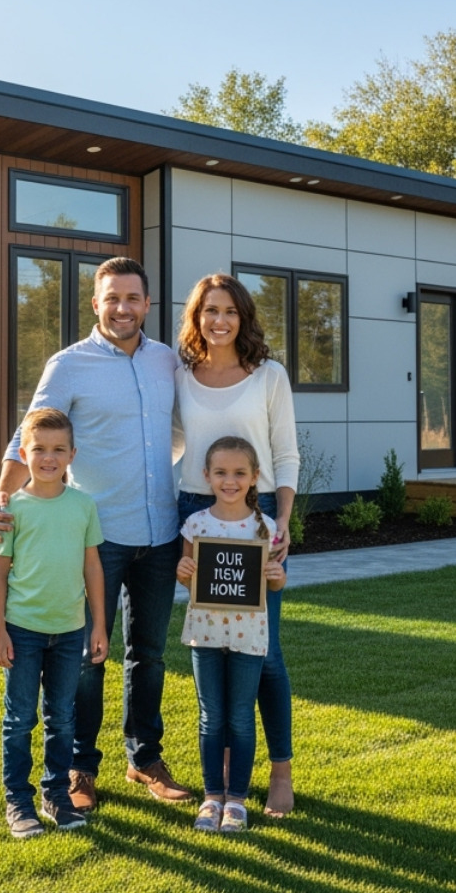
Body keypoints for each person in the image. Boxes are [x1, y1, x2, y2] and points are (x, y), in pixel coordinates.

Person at [0, 257, 192, 812]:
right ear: (95, 304)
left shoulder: (166, 362)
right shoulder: (68, 365)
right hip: (95, 537)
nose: (122, 307)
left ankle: (144, 758)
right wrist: (3, 496)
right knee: (87, 656)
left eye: (132, 298)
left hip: (161, 531)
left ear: (148, 305)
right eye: (111, 298)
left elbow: (178, 434)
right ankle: (80, 767)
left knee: (148, 653)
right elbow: (25, 435)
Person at [173, 272, 299, 817]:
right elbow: (171, 441)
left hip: (259, 514)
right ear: (196, 318)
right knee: (213, 641)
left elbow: (287, 453)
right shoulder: (180, 374)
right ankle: (221, 782)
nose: (219, 320)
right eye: (209, 311)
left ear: (243, 316)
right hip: (196, 514)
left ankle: (280, 772)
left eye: (229, 310)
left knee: (264, 652)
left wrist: (283, 521)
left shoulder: (269, 375)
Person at [0, 407, 109, 838]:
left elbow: (93, 568)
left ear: (72, 455)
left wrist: (98, 626)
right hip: (22, 630)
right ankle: (17, 801)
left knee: (62, 717)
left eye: (59, 449)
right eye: (39, 449)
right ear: (24, 453)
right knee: (19, 718)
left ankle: (55, 793)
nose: (49, 458)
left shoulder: (83, 506)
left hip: (70, 631)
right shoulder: (10, 509)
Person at [176, 436, 287, 834]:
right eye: (221, 473)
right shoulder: (196, 524)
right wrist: (183, 573)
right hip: (205, 634)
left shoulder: (266, 527)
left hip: (249, 637)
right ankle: (211, 797)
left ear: (255, 477)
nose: (230, 481)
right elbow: (189, 575)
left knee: (241, 718)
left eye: (240, 473)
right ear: (206, 476)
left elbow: (273, 585)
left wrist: (277, 577)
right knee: (211, 717)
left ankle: (236, 799)